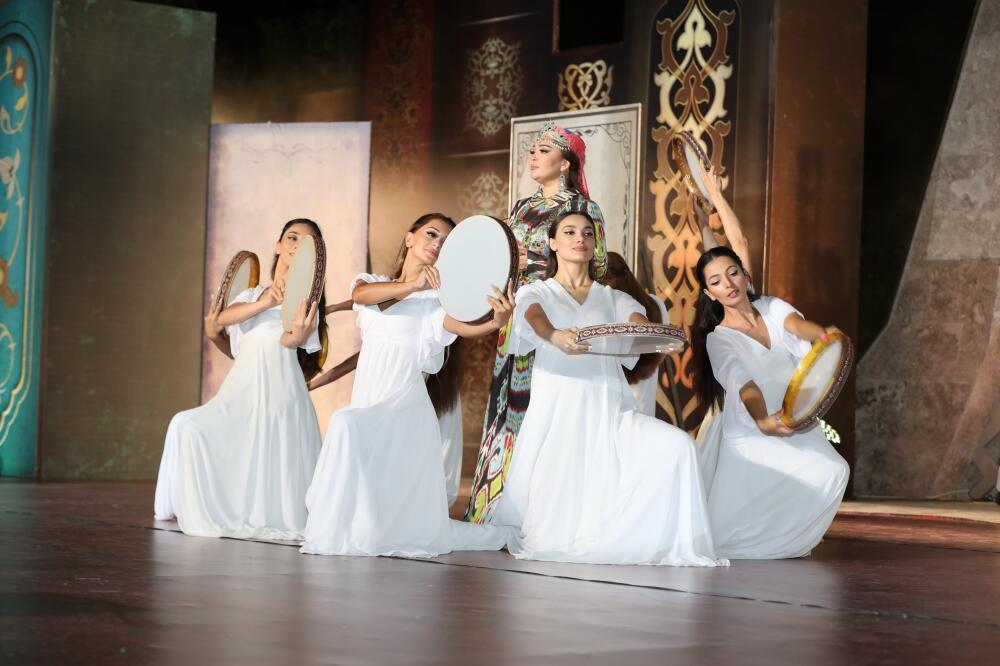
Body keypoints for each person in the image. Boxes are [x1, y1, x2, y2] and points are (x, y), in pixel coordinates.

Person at [492, 211, 725, 566]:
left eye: (588, 233)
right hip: (560, 416)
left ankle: (664, 540)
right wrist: (555, 335)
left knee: (678, 447)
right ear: (553, 243)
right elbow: (534, 317)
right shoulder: (536, 291)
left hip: (611, 411)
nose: (580, 238)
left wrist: (658, 336)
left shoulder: (612, 297)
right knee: (558, 515)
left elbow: (638, 323)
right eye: (570, 232)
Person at [301, 214, 513, 557]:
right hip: (369, 398)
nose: (437, 244)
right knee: (356, 439)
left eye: (445, 242)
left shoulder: (436, 303)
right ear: (409, 238)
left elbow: (463, 327)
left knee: (343, 423)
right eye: (431, 234)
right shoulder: (372, 283)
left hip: (404, 404)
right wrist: (414, 285)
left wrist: (496, 322)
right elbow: (361, 295)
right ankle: (354, 528)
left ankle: (343, 529)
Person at [467, 122, 609, 523]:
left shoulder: (583, 208)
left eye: (544, 150)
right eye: (532, 149)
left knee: (544, 404)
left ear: (565, 163)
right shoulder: (521, 207)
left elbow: (598, 263)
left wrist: (544, 272)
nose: (533, 156)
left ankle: (546, 511)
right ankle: (496, 506)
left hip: (554, 312)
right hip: (516, 315)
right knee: (507, 404)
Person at [691, 246, 850, 559]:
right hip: (754, 427)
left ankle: (784, 543)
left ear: (745, 274)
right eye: (717, 281)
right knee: (732, 526)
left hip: (794, 416)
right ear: (709, 293)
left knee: (834, 471)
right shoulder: (719, 339)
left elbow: (796, 325)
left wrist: (822, 335)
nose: (729, 284)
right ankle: (757, 546)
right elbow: (744, 384)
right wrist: (763, 420)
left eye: (733, 273)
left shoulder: (770, 306)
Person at [173, 219, 326, 540]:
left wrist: (297, 333)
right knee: (192, 429)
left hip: (280, 390)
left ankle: (265, 515)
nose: (297, 245)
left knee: (272, 461)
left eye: (306, 241)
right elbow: (223, 319)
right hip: (242, 391)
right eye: (291, 237)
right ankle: (218, 511)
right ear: (278, 245)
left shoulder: (305, 301)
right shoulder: (253, 293)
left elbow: (289, 341)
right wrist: (265, 302)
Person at [598, 251, 669, 418]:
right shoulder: (656, 304)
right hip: (644, 406)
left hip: (615, 408)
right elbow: (661, 350)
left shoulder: (611, 309)